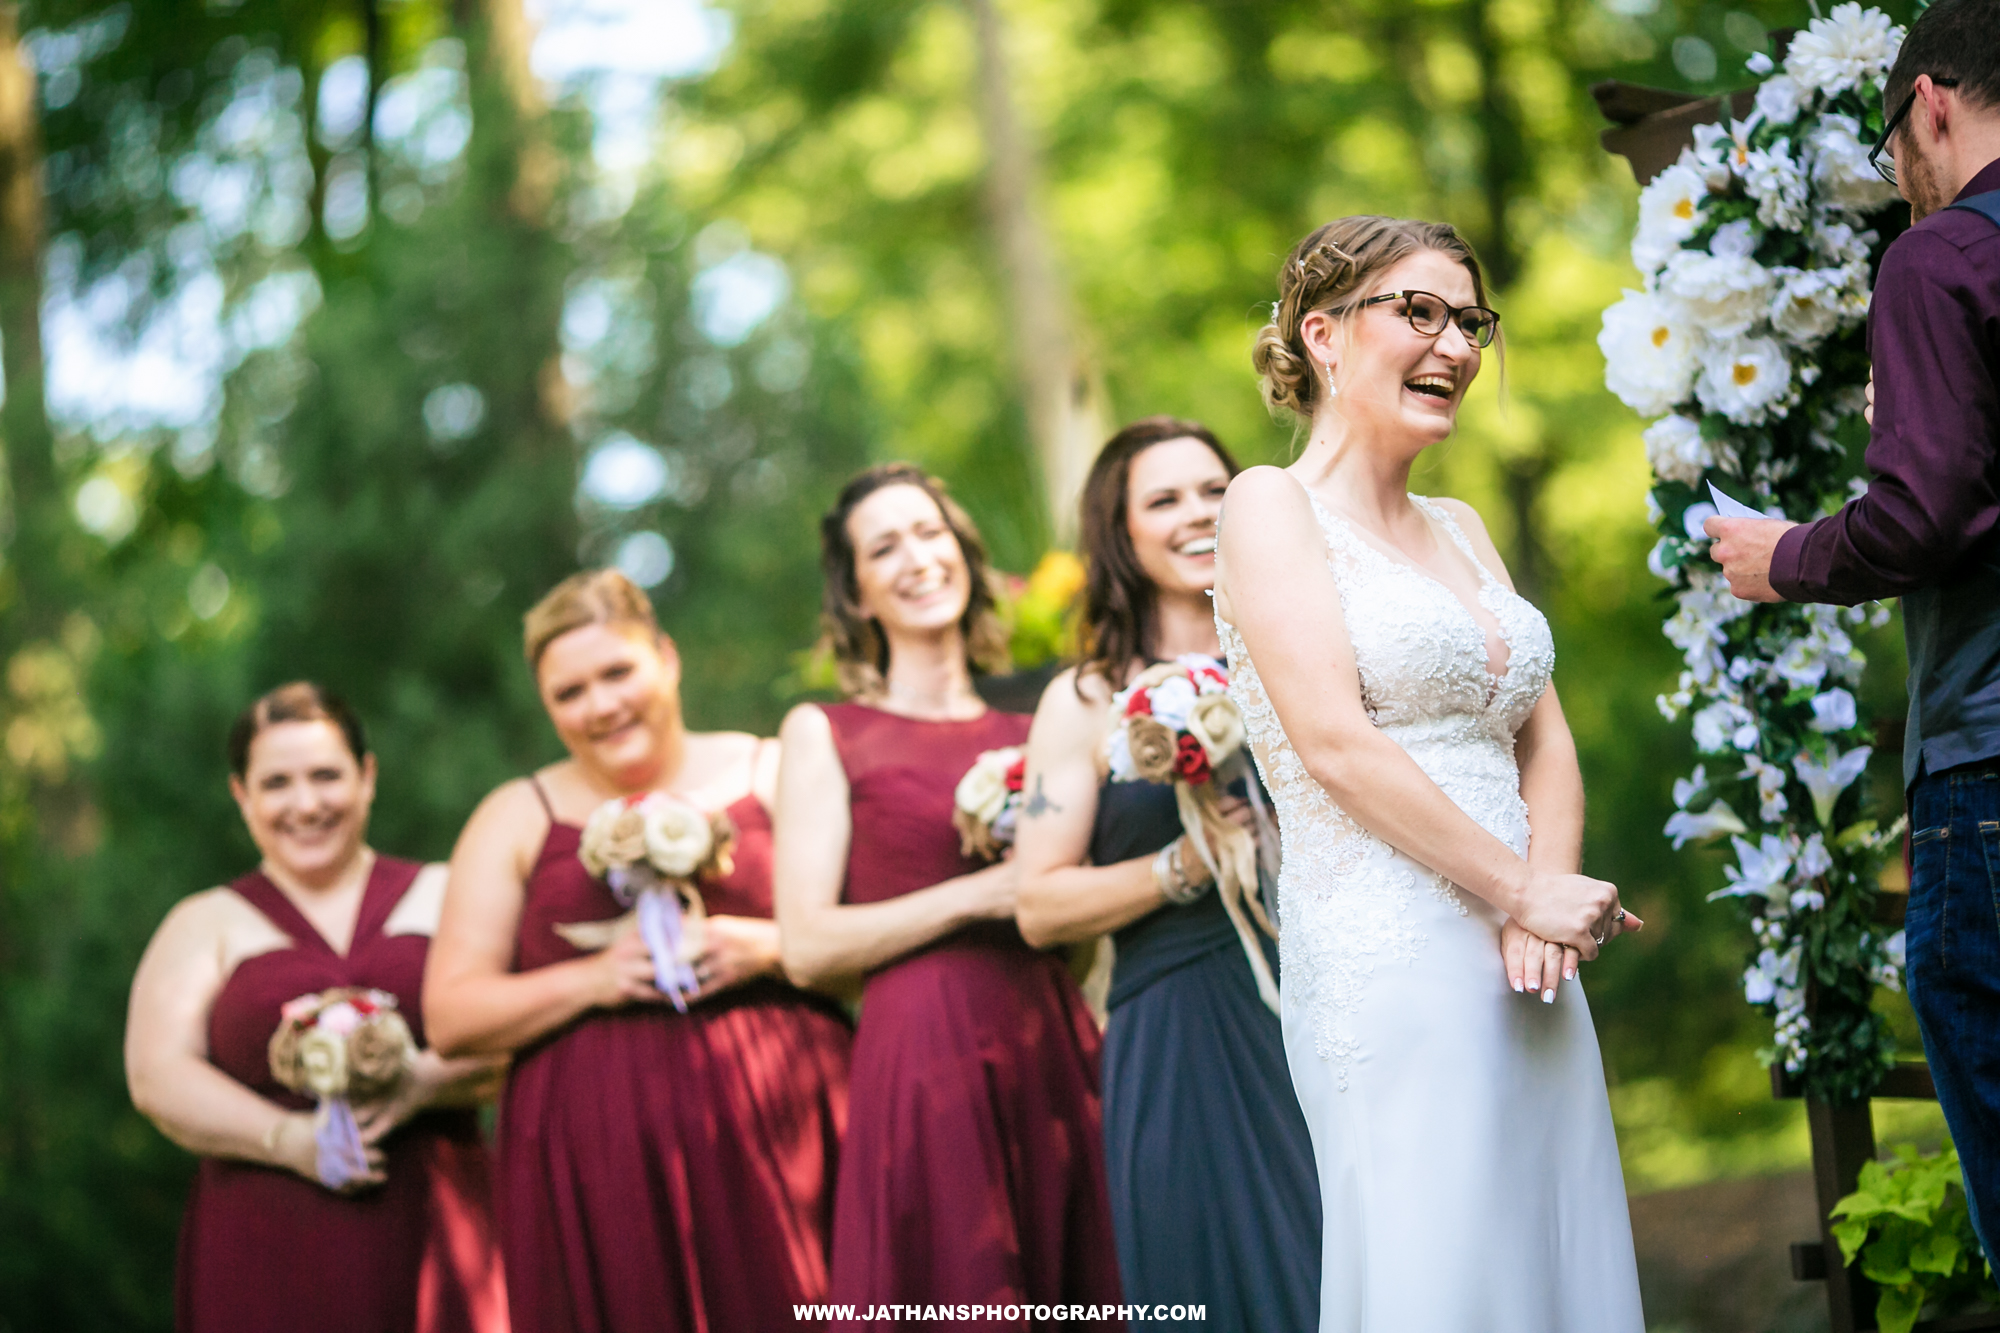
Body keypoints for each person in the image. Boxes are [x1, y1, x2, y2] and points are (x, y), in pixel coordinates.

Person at [1213, 216, 1645, 1331]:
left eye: (1468, 321)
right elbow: (1333, 742)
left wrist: (1541, 908)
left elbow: (1541, 740)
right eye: (1416, 311)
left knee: (1554, 1252)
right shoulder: (1267, 507)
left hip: (1527, 958)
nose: (1453, 344)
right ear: (1321, 334)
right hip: (1390, 959)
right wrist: (1517, 887)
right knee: (1442, 1265)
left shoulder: (1459, 527)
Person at [1706, 0, 2000, 1258]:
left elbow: (1919, 513)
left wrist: (1782, 559)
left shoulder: (1938, 259)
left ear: (1927, 100)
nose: (1901, 183)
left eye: (1893, 155)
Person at [423, 570, 852, 1333]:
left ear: (668, 658)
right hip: (593, 1166)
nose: (603, 705)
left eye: (618, 671)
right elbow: (452, 1014)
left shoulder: (770, 769)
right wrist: (594, 978)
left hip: (786, 1132)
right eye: (570, 692)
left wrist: (767, 946)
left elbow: (875, 938)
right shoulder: (516, 814)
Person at [775, 463, 1123, 1327]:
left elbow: (1070, 932)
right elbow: (808, 945)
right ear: (856, 595)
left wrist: (1041, 899)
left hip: (1050, 1038)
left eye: (929, 533)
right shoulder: (828, 732)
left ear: (963, 554)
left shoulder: (1040, 720)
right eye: (884, 548)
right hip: (919, 1059)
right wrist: (982, 895)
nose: (916, 558)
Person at [1013, 416, 1319, 1329]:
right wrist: (1183, 864)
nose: (1197, 514)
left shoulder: (1308, 651)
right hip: (1182, 1031)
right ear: (1121, 531)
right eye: (1164, 499)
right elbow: (1039, 904)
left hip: (1332, 999)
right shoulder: (1086, 698)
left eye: (1214, 490)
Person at [125, 682, 508, 1333]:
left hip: (441, 1225)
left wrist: (424, 1084)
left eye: (326, 775)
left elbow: (524, 1030)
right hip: (265, 1240)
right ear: (241, 794)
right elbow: (157, 1074)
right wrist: (290, 1141)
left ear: (367, 776)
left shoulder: (449, 891)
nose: (305, 804)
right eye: (276, 783)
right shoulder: (201, 923)